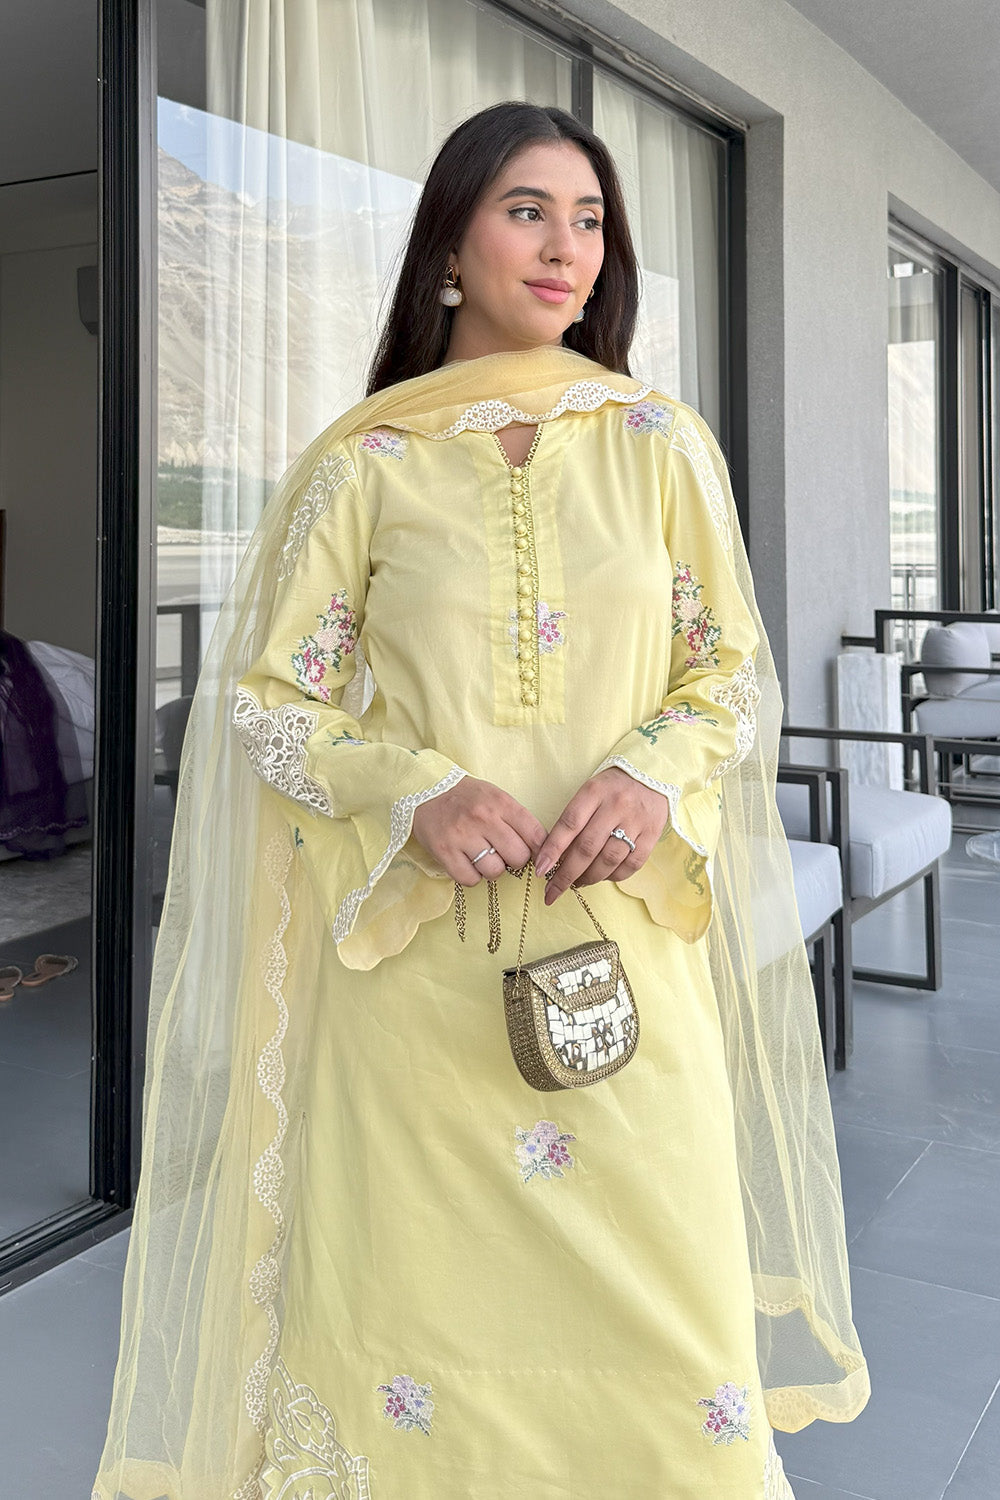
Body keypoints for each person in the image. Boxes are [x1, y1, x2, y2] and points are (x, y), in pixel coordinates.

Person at [93, 102, 868, 1500]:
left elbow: (728, 672)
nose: (567, 246)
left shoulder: (658, 443)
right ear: (448, 245)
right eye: (528, 210)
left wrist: (651, 771)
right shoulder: (369, 462)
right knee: (411, 1341)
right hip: (416, 998)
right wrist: (416, 789)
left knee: (667, 1332)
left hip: (620, 972)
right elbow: (270, 702)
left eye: (591, 220)